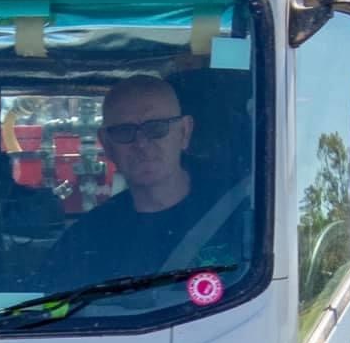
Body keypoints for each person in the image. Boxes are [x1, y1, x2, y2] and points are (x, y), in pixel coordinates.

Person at [35, 74, 246, 289]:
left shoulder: (243, 215)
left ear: (184, 132)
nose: (142, 144)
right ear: (106, 144)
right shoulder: (83, 242)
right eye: (124, 131)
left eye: (156, 128)